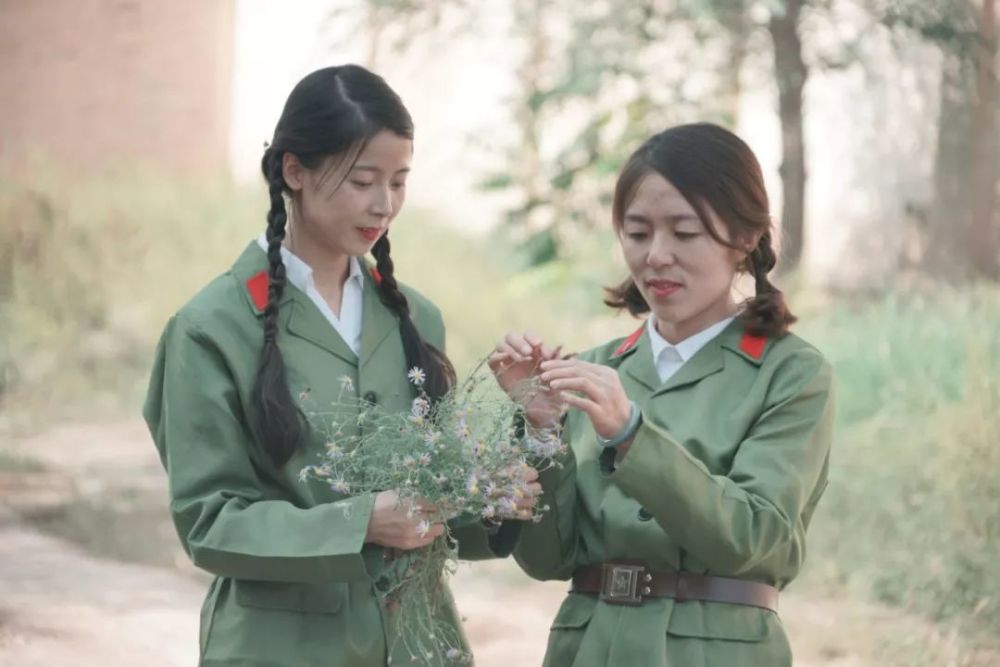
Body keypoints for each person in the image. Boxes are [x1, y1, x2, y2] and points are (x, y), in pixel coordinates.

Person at [144, 64, 533, 667]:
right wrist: (360, 523)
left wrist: (499, 489)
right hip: (282, 648)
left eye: (399, 182)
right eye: (363, 180)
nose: (384, 204)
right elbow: (209, 523)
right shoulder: (211, 327)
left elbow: (436, 506)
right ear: (294, 171)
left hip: (417, 644)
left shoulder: (414, 320)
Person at [491, 123, 835, 666]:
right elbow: (548, 559)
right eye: (638, 232)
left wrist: (632, 437)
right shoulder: (593, 370)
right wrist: (539, 429)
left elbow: (755, 534)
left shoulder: (791, 373)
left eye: (685, 232)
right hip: (588, 647)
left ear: (745, 238)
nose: (656, 256)